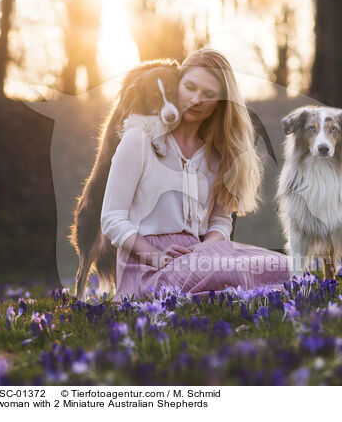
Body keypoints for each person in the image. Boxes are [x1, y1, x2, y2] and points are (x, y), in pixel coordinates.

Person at [101, 48, 291, 301]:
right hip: (148, 265)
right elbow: (112, 218)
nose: (196, 99)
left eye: (209, 94)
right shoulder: (139, 139)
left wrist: (205, 248)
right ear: (177, 84)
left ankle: (226, 294)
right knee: (231, 274)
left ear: (220, 104)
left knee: (284, 266)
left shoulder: (219, 153)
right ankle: (240, 294)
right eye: (190, 87)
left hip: (201, 256)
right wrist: (156, 256)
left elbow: (221, 222)